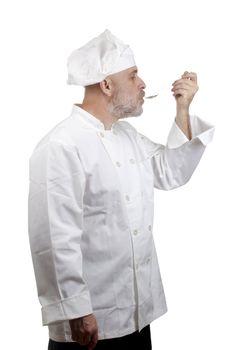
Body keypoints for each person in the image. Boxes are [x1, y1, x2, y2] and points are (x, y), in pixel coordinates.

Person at [28, 29, 215, 350]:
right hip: (91, 323)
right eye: (133, 75)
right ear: (106, 84)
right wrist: (76, 308)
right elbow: (53, 237)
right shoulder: (61, 145)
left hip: (136, 313)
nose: (142, 84)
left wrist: (182, 110)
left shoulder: (127, 135)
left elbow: (171, 172)